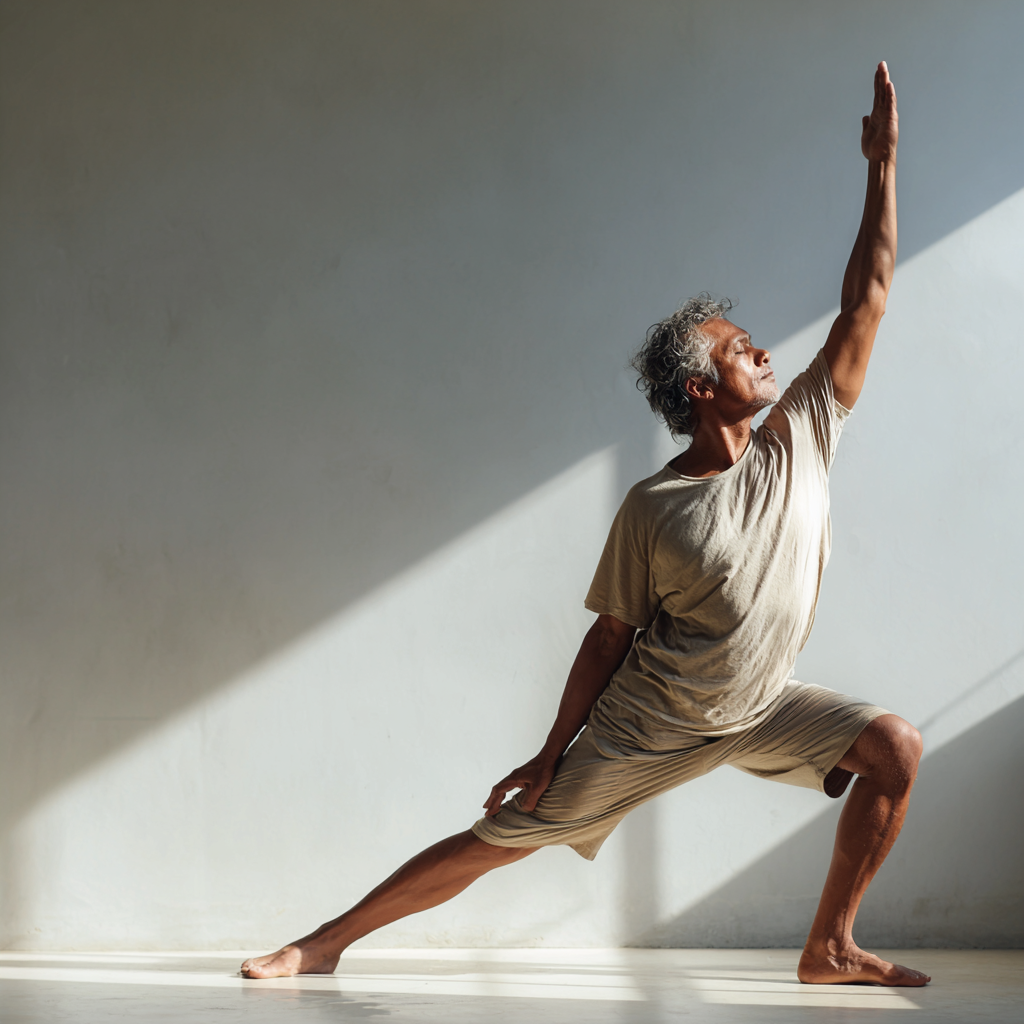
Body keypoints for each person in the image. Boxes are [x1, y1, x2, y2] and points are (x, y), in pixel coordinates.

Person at [242, 61, 929, 987]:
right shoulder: (654, 506)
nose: (763, 352)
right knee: (501, 840)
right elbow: (609, 638)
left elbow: (867, 299)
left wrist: (883, 165)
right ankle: (322, 943)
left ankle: (830, 946)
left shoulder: (800, 434)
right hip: (650, 725)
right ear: (700, 388)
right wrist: (549, 753)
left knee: (893, 747)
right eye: (739, 350)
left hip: (761, 704)